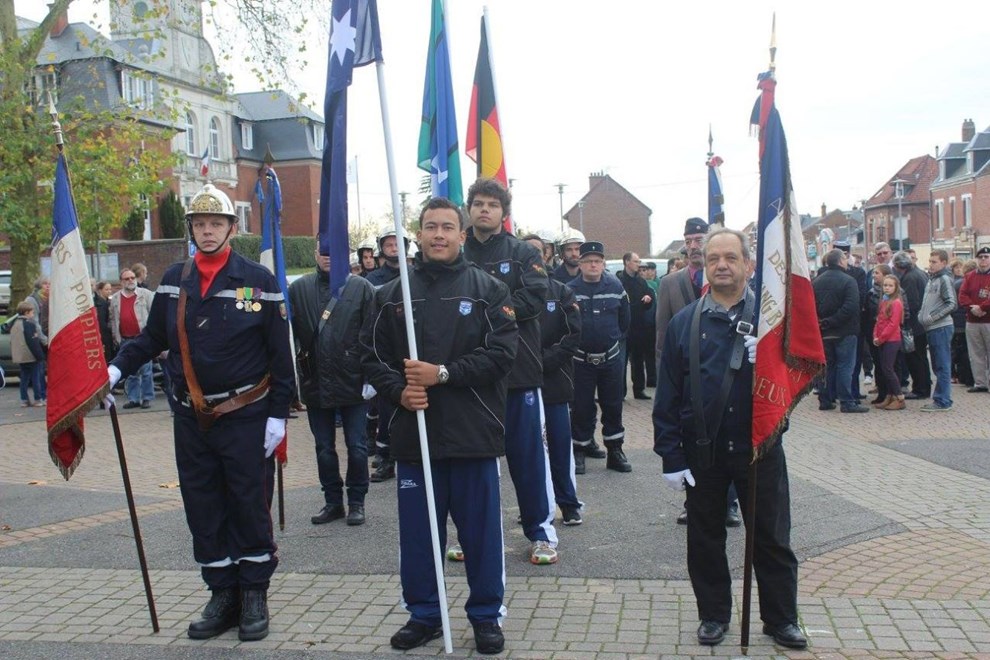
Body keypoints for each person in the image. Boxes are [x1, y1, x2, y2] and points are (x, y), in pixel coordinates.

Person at [109, 183, 294, 642]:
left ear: (231, 228)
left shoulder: (259, 280)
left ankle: (254, 594)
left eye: (216, 223)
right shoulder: (175, 279)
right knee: (203, 505)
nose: (207, 231)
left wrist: (278, 415)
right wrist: (114, 370)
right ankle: (222, 593)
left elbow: (280, 353)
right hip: (192, 418)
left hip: (246, 415)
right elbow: (153, 338)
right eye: (200, 224)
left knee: (249, 504)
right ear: (190, 229)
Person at [361, 197, 517, 655]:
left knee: (480, 535)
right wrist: (399, 392)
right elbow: (371, 356)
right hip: (415, 437)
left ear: (462, 234)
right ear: (419, 234)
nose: (439, 235)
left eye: (448, 227)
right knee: (419, 537)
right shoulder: (392, 294)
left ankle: (486, 615)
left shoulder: (489, 290)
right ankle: (425, 614)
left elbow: (501, 355)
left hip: (473, 435)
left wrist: (443, 374)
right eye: (431, 227)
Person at [653, 227, 807, 650]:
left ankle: (781, 618)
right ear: (704, 265)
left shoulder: (772, 321)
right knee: (705, 538)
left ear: (749, 265)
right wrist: (670, 456)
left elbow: (801, 379)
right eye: (713, 258)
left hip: (760, 446)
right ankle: (713, 615)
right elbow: (667, 396)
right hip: (703, 450)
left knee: (772, 538)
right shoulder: (685, 323)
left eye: (731, 258)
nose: (721, 265)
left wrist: (775, 359)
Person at [462, 177, 559, 565]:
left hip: (518, 374)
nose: (484, 209)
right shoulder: (456, 252)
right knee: (472, 460)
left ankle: (541, 534)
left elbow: (534, 298)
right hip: (470, 377)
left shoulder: (523, 253)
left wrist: (487, 313)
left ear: (504, 212)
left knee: (528, 458)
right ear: (469, 209)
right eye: (478, 203)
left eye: (492, 204)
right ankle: (473, 535)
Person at [655, 218, 740, 526]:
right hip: (687, 374)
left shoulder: (731, 281)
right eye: (688, 240)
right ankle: (692, 502)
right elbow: (663, 330)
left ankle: (730, 503)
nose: (693, 245)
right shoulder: (670, 283)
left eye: (698, 239)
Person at [290, 241, 375, 526]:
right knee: (324, 448)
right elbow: (286, 333)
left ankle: (357, 501)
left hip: (353, 381)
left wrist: (371, 377)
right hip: (315, 381)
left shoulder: (361, 288)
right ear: (315, 254)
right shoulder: (298, 288)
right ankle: (333, 501)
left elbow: (372, 334)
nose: (328, 257)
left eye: (334, 252)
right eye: (323, 252)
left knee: (357, 446)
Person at [524, 234, 583, 525]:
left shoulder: (561, 292)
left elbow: (572, 335)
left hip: (555, 381)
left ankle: (568, 503)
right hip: (521, 384)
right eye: (527, 251)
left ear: (547, 255)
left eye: (539, 250)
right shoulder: (509, 293)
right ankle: (533, 507)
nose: (534, 255)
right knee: (528, 452)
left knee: (559, 446)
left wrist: (542, 361)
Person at [569, 241, 632, 475]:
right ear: (580, 264)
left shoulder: (616, 286)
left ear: (603, 263)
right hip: (580, 361)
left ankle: (615, 451)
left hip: (610, 360)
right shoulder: (570, 290)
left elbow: (625, 321)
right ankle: (579, 450)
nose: (593, 265)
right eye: (588, 261)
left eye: (597, 261)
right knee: (581, 407)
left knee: (613, 406)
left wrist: (611, 340)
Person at [813, 249, 868, 413]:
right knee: (845, 366)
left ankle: (825, 399)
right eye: (845, 258)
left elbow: (810, 306)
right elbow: (851, 306)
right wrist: (832, 321)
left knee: (827, 366)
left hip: (824, 331)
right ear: (840, 261)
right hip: (845, 330)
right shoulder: (849, 281)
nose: (847, 260)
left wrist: (823, 322)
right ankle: (846, 401)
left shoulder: (816, 282)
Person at [109, 268, 156, 409]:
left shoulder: (146, 294)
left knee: (146, 370)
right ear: (121, 282)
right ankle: (133, 398)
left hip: (142, 337)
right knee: (130, 371)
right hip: (125, 339)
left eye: (132, 277)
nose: (130, 280)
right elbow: (113, 319)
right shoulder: (115, 298)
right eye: (127, 278)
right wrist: (115, 337)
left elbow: (154, 314)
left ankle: (147, 397)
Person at [918, 249, 956, 412]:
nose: (931, 264)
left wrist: (932, 317)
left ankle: (943, 400)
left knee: (942, 365)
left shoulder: (944, 279)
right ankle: (941, 398)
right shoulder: (932, 279)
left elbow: (952, 303)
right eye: (930, 261)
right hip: (933, 328)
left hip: (941, 327)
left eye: (934, 262)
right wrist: (922, 315)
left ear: (943, 263)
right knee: (937, 364)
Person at [893, 251, 932, 400]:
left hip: (914, 325)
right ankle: (923, 387)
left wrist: (904, 321)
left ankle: (920, 389)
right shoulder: (920, 273)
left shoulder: (909, 278)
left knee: (915, 358)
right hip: (921, 323)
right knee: (921, 358)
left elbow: (911, 303)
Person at [617, 252, 654, 400]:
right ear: (627, 262)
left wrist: (648, 299)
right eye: (636, 261)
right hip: (623, 327)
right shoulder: (619, 281)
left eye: (639, 261)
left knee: (638, 360)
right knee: (622, 360)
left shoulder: (641, 281)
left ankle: (639, 390)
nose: (639, 264)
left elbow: (649, 296)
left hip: (639, 326)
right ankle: (620, 391)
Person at [958, 246, 990, 393]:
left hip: (988, 320)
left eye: (986, 257)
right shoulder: (969, 276)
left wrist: (982, 308)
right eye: (980, 257)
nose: (983, 259)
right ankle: (980, 382)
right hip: (972, 320)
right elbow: (962, 295)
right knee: (975, 353)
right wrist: (972, 307)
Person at [873, 275, 905, 410]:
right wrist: (875, 335)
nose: (887, 288)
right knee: (885, 368)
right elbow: (879, 321)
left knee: (888, 369)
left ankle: (899, 397)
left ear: (896, 287)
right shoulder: (884, 301)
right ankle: (890, 395)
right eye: (885, 285)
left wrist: (881, 338)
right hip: (882, 339)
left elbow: (893, 324)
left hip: (891, 340)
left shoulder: (896, 302)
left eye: (890, 285)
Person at [10, 301, 46, 407]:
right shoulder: (29, 325)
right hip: (31, 356)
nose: (33, 314)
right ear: (26, 312)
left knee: (24, 379)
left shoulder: (14, 324)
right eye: (32, 312)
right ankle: (38, 399)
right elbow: (33, 342)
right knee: (36, 378)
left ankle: (24, 399)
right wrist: (40, 356)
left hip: (20, 357)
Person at [950, 258, 974, 387]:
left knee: (960, 349)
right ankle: (968, 377)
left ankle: (962, 376)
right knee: (967, 350)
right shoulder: (964, 283)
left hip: (958, 321)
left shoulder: (958, 283)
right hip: (967, 320)